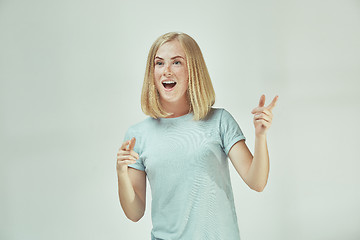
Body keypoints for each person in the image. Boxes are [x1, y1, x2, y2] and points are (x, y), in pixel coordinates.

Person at [116, 32, 278, 240]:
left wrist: (261, 136)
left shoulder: (219, 120)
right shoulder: (138, 135)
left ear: (193, 70)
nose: (166, 71)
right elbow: (134, 212)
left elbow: (257, 182)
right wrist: (121, 173)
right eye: (159, 63)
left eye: (176, 62)